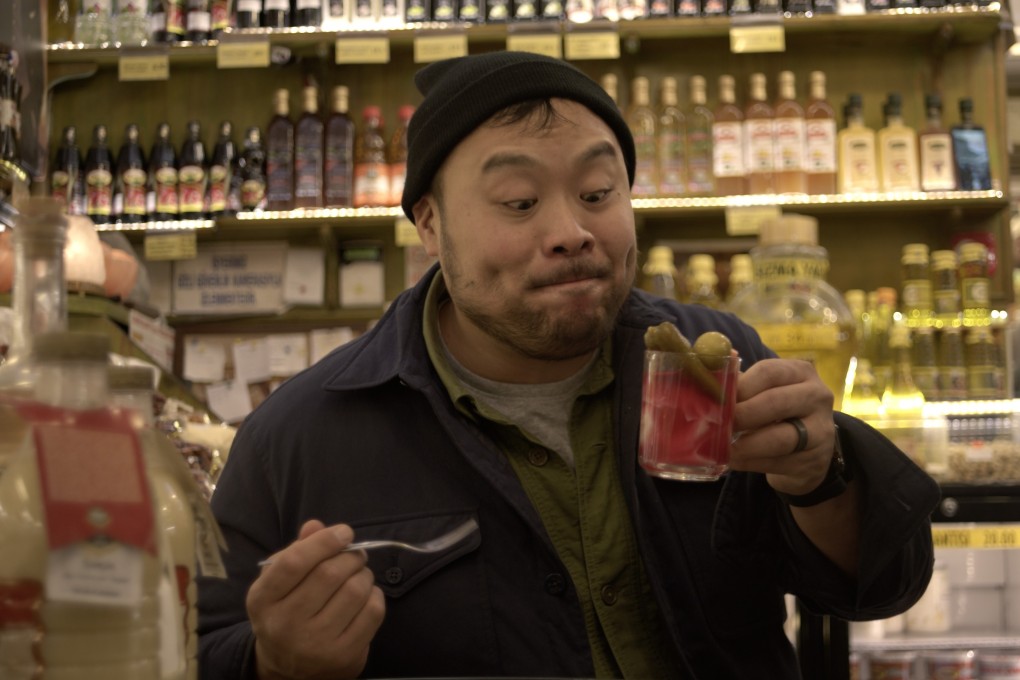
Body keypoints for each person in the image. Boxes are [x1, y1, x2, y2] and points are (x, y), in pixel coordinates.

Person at [198, 51, 940, 679]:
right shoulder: (300, 437)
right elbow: (198, 649)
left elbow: (877, 584)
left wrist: (823, 478)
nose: (571, 231)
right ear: (430, 224)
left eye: (597, 193)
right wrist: (272, 660)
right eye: (519, 202)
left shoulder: (715, 360)